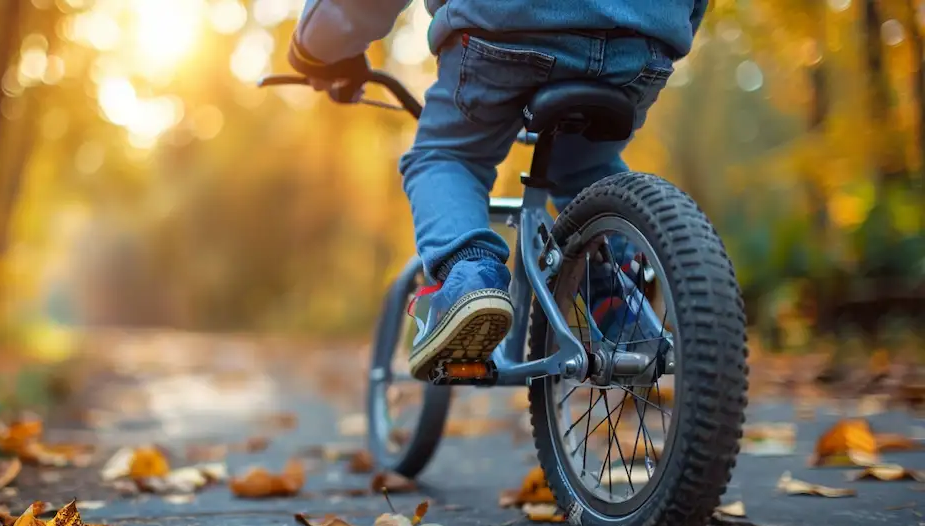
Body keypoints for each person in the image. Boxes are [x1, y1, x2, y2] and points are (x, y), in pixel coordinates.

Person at [287, 0, 706, 381]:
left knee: (446, 155)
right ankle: (616, 302)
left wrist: (316, 48)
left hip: (506, 25)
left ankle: (469, 278)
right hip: (643, 42)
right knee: (585, 165)